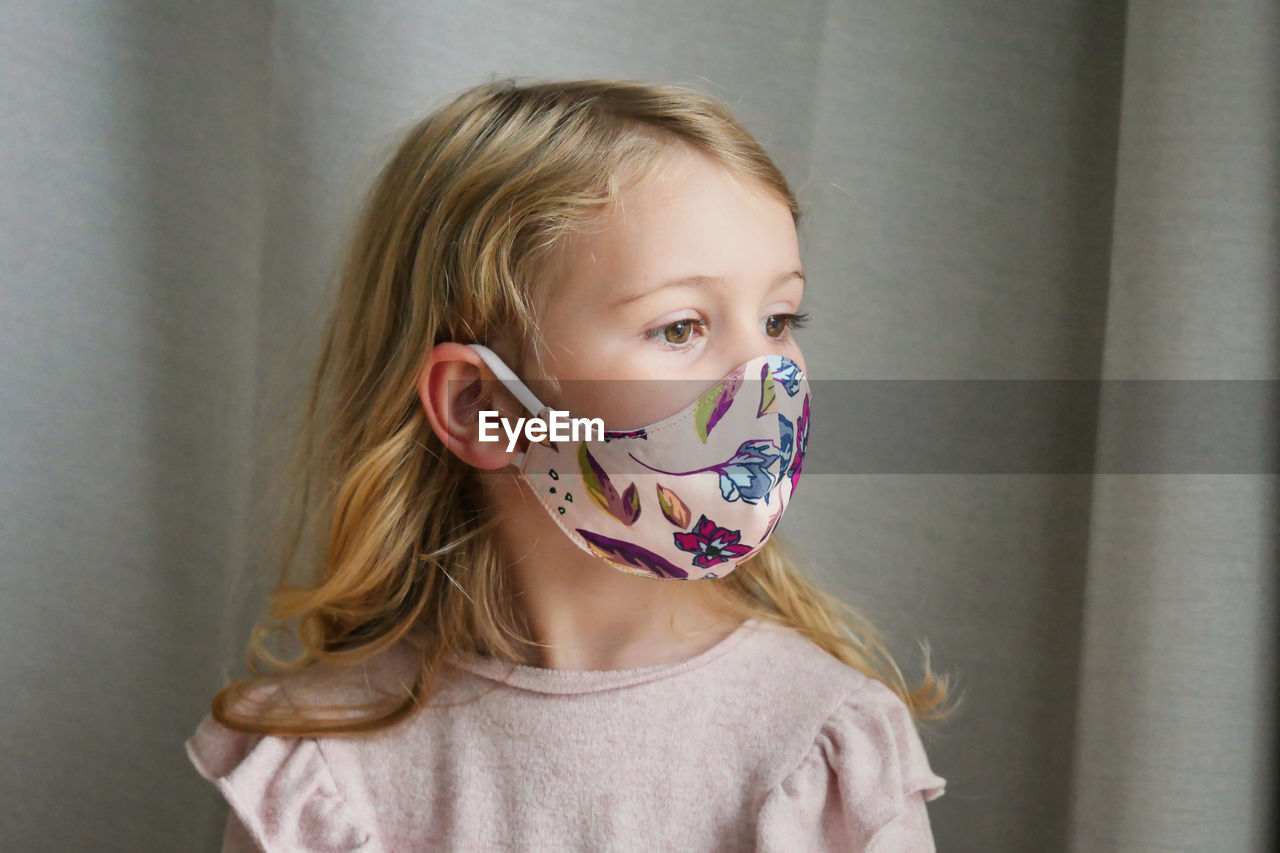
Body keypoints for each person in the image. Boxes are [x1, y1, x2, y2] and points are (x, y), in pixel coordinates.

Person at [184, 77, 957, 852]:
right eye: (681, 326)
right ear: (477, 405)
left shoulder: (819, 749)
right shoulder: (321, 771)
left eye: (778, 319)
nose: (764, 384)